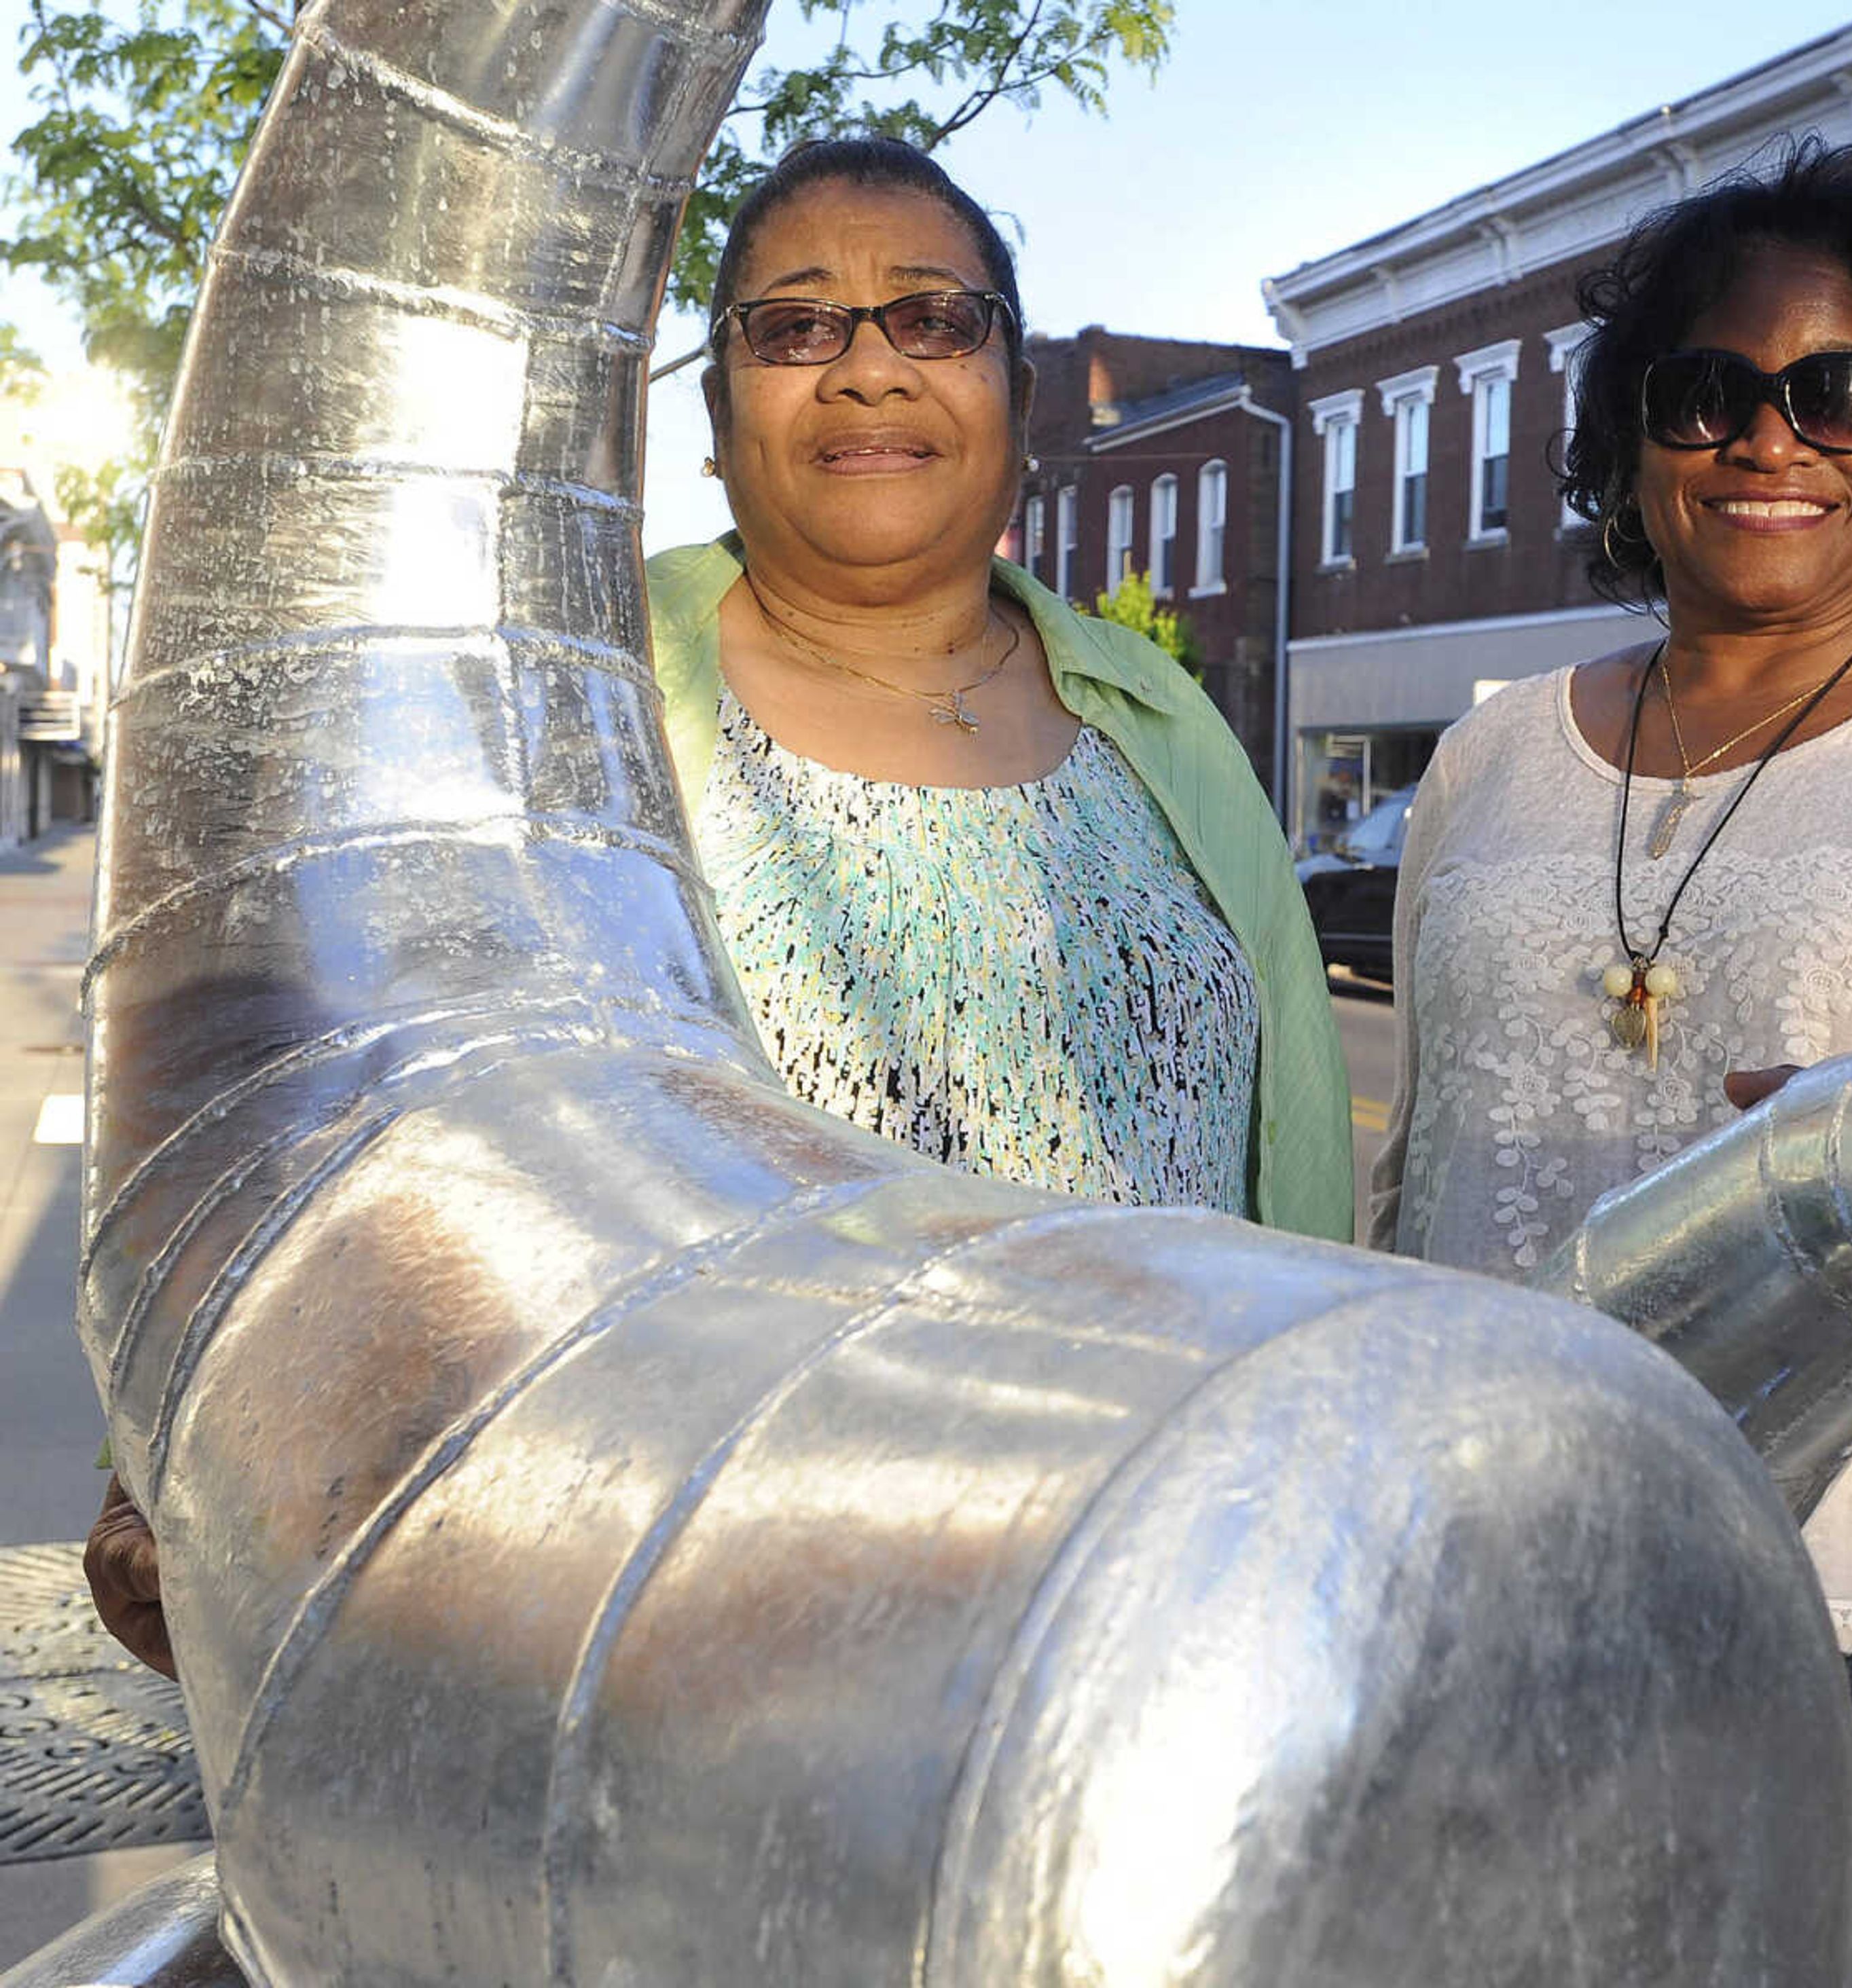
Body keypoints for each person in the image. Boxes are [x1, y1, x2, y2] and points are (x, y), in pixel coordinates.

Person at [89, 136, 1354, 1676]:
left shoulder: (1166, 723)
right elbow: (342, 1086)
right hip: (693, 1659)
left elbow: (1293, 1189)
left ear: (1018, 397)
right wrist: (208, 1437)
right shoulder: (566, 695)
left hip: (1153, 1631)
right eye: (797, 325)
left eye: (934, 319)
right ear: (712, 419)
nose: (869, 370)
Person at [1368, 139, 1852, 1987]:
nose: (1769, 438)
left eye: (1841, 391)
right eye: (1707, 390)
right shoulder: (1489, 762)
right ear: (1638, 443)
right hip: (1495, 1581)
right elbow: (1427, 1175)